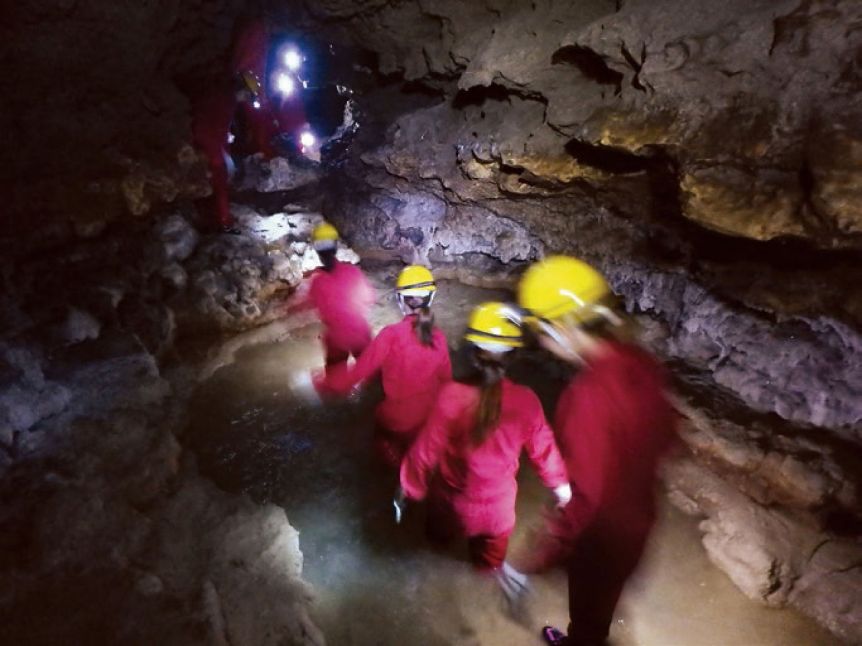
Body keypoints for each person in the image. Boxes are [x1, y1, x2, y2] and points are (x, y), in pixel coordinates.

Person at [515, 256, 678, 646]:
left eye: (541, 330)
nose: (541, 341)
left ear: (562, 327)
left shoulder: (587, 397)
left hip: (601, 541)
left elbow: (583, 498)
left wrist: (541, 555)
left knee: (587, 615)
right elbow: (667, 437)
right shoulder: (640, 364)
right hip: (638, 525)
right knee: (601, 607)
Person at [397, 302, 572, 595]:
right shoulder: (526, 401)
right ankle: (485, 598)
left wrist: (407, 489)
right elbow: (546, 452)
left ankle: (432, 582)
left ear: (473, 354)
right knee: (488, 567)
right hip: (498, 513)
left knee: (436, 541)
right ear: (513, 355)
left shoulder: (451, 396)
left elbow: (425, 451)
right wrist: (563, 490)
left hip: (451, 505)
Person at [324, 265, 452, 467]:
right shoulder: (439, 338)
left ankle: (385, 464)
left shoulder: (390, 335)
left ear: (401, 300)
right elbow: (447, 384)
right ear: (431, 298)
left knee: (380, 433)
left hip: (396, 420)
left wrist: (322, 383)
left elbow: (356, 374)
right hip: (428, 420)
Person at [189, 15, 278, 233]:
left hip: (208, 136)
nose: (246, 100)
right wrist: (220, 149)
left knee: (223, 169)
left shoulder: (225, 96)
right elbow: (209, 128)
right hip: (206, 139)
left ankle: (219, 214)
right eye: (247, 95)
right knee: (221, 172)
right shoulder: (224, 98)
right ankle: (223, 219)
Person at [306, 221, 375, 385]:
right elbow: (370, 298)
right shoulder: (352, 271)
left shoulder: (317, 282)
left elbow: (311, 306)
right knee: (372, 376)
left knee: (334, 383)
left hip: (336, 339)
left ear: (316, 250)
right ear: (336, 247)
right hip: (361, 334)